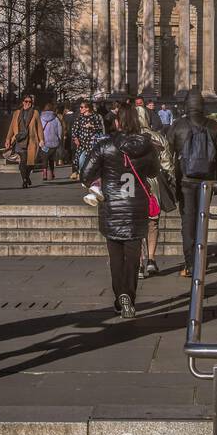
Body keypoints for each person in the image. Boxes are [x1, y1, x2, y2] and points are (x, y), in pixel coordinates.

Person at [80, 103, 160, 318]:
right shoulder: (147, 146)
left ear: (117, 122)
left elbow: (85, 173)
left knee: (116, 255)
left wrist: (100, 181)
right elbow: (154, 171)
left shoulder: (105, 146)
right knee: (133, 257)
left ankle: (120, 294)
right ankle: (130, 297)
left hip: (113, 207)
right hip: (136, 207)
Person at [168, 87, 217, 279]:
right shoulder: (212, 125)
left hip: (185, 181)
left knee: (188, 222)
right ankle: (200, 259)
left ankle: (190, 264)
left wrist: (171, 179)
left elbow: (167, 155)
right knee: (203, 220)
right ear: (202, 106)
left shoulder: (178, 125)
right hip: (207, 182)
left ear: (186, 106)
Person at [140, 116, 177, 277]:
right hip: (153, 183)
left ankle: (139, 262)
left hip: (133, 184)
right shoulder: (158, 137)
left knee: (135, 224)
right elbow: (167, 164)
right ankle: (151, 259)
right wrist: (170, 178)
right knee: (152, 222)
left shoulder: (127, 137)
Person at [4, 92, 44, 188]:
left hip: (31, 141)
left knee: (30, 163)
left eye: (30, 102)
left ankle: (27, 176)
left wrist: (41, 139)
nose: (28, 103)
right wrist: (8, 139)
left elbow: (39, 127)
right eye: (26, 101)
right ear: (23, 102)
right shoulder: (17, 113)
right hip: (19, 140)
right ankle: (24, 179)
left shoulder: (35, 113)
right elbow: (11, 127)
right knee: (23, 160)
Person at [71, 98, 105, 180]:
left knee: (89, 159)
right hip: (82, 142)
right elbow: (74, 129)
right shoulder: (79, 118)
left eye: (82, 107)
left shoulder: (95, 116)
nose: (80, 109)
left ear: (87, 108)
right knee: (78, 158)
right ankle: (80, 172)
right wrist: (75, 138)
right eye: (80, 107)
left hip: (92, 141)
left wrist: (92, 126)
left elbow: (100, 127)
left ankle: (85, 174)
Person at [39, 101, 62, 181]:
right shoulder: (56, 119)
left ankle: (44, 174)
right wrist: (59, 138)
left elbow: (39, 129)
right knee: (51, 159)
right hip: (54, 141)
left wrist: (40, 139)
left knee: (44, 158)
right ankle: (52, 173)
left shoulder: (41, 118)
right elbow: (60, 130)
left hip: (44, 142)